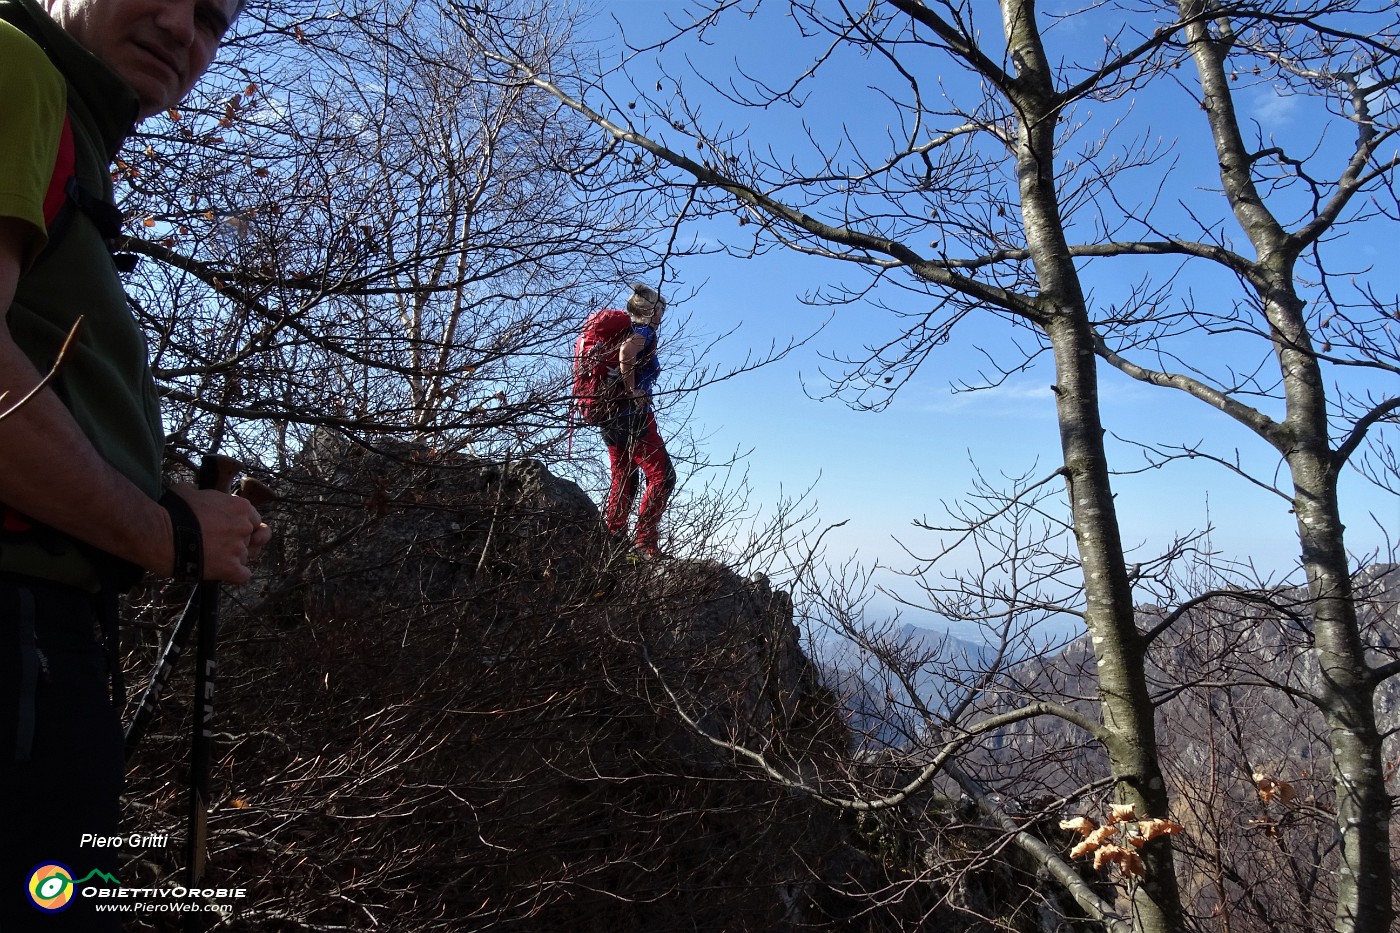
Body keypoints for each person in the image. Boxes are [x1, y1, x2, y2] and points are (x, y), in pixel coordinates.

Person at [0, 0, 266, 927]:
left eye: (212, 19)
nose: (178, 27)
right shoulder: (13, 68)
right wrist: (164, 531)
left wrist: (164, 504)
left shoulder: (61, 119)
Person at [600, 283, 676, 559]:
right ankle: (644, 543)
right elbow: (626, 355)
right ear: (652, 311)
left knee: (624, 478)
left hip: (608, 416)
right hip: (633, 417)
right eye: (661, 309)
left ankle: (613, 539)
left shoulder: (627, 330)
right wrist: (633, 390)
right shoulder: (644, 332)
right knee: (663, 477)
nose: (663, 314)